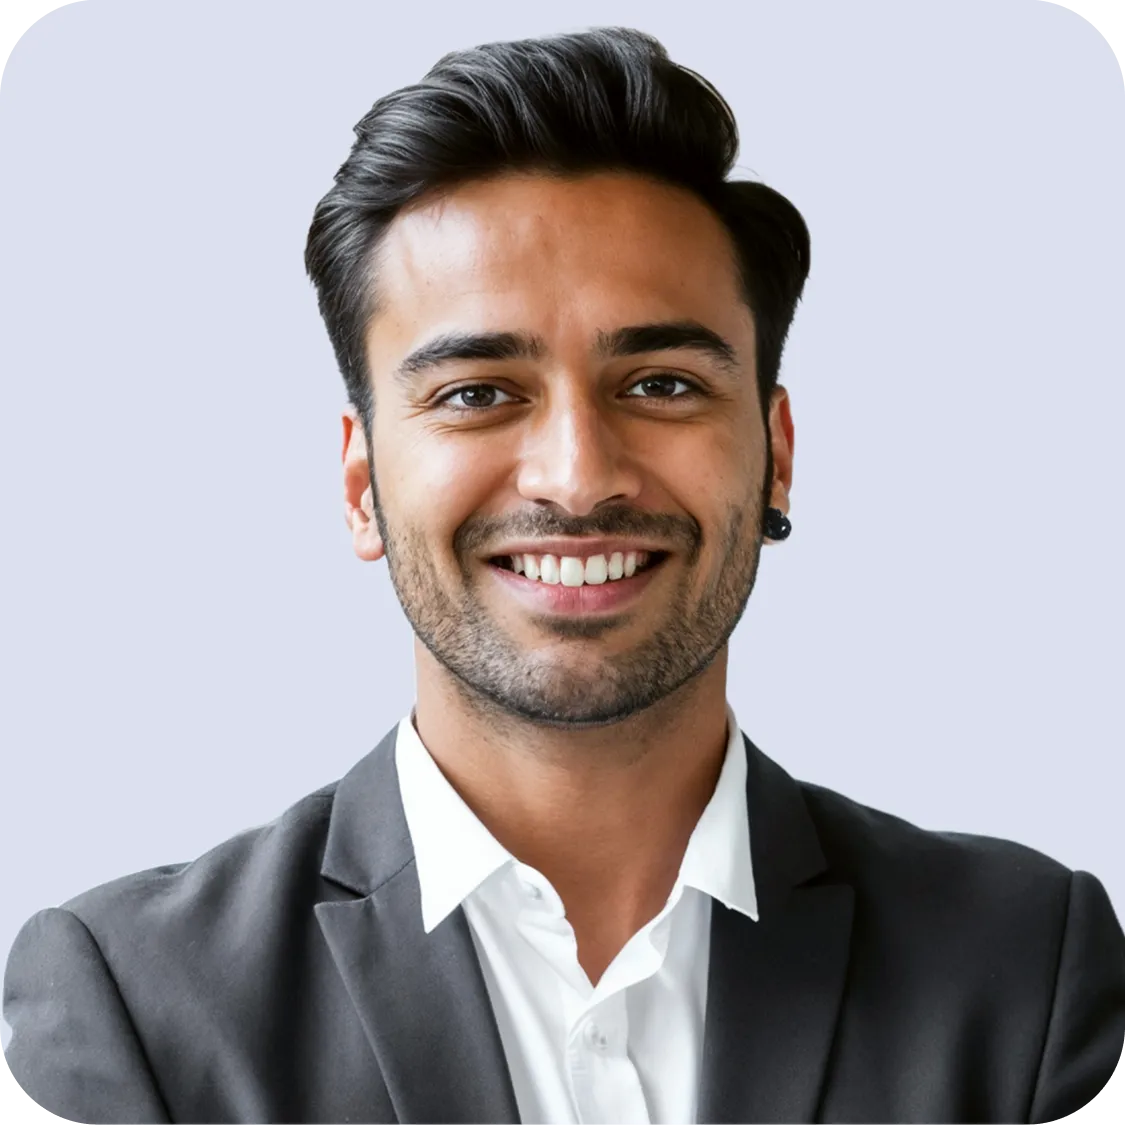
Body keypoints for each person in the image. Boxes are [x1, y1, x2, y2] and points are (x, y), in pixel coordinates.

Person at [4, 25, 1124, 1125]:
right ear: (362, 486)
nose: (579, 478)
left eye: (662, 384)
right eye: (477, 394)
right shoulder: (136, 1003)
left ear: (776, 453)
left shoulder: (1028, 969)